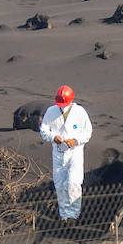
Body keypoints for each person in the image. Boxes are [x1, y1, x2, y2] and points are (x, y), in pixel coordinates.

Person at [38, 84, 93, 220]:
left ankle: (74, 214)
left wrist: (75, 140)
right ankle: (64, 216)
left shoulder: (80, 112)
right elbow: (44, 130)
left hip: (74, 151)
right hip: (58, 152)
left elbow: (88, 131)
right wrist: (53, 137)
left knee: (73, 182)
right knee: (60, 184)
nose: (63, 105)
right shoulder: (51, 111)